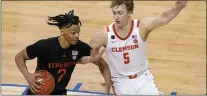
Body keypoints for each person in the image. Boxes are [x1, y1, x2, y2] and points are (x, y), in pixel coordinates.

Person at [89, 0, 187, 95]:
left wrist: (178, 8)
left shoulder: (141, 27)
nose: (116, 17)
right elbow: (83, 54)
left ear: (130, 12)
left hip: (143, 78)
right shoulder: (104, 35)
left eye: (120, 13)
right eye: (114, 13)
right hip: (121, 82)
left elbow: (163, 19)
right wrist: (95, 61)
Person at [15, 10, 112, 95]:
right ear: (62, 31)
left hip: (60, 92)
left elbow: (102, 63)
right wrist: (28, 76)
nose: (77, 36)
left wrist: (107, 81)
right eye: (73, 33)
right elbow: (19, 57)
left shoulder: (79, 46)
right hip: (39, 91)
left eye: (78, 32)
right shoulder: (45, 45)